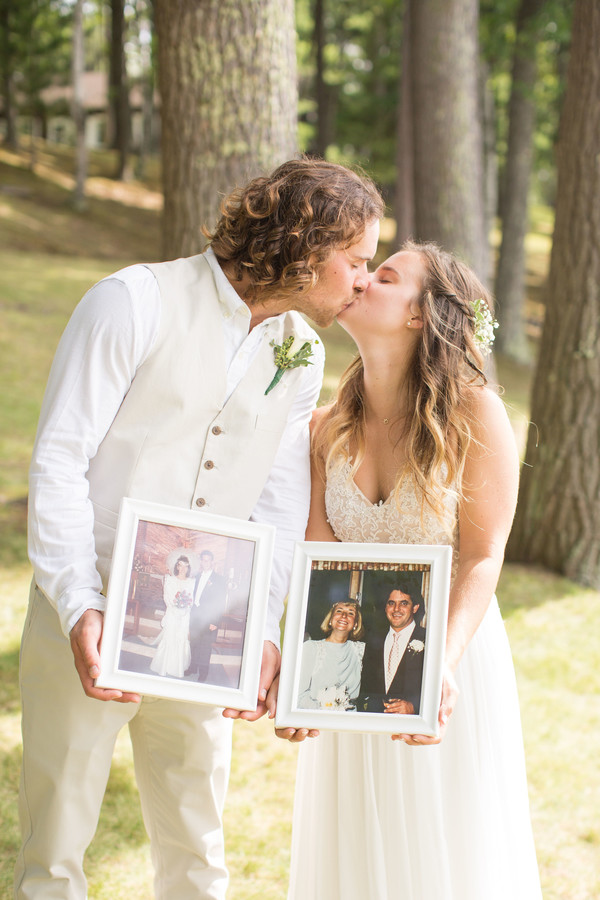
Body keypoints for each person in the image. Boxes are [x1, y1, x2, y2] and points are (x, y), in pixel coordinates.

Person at [15, 158, 383, 900]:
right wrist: (79, 604)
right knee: (54, 847)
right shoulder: (131, 301)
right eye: (356, 261)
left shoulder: (302, 352)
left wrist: (266, 631)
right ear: (307, 247)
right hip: (86, 609)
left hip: (207, 628)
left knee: (197, 846)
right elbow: (58, 462)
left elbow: (278, 500)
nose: (365, 281)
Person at [280, 241, 543, 899]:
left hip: (449, 655)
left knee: (447, 854)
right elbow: (317, 558)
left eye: (386, 274)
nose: (363, 277)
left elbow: (484, 555)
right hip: (351, 665)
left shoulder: (475, 413)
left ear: (422, 315)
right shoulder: (326, 426)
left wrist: (439, 665)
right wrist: (303, 670)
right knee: (357, 853)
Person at [359, 580, 426, 715]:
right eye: (391, 603)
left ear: (415, 607)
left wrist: (414, 707)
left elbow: (438, 687)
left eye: (404, 603)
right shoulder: (373, 640)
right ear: (385, 607)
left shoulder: (428, 639)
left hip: (410, 726)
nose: (396, 609)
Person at [297, 600, 364, 709]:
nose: (344, 615)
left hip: (349, 721)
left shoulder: (361, 650)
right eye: (339, 611)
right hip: (314, 719)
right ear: (330, 619)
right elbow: (299, 695)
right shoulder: (311, 648)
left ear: (355, 624)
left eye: (351, 613)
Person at [150, 555, 195, 678]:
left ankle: (178, 667)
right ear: (177, 566)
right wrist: (175, 608)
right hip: (172, 612)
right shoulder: (170, 580)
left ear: (188, 568)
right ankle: (164, 666)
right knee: (170, 636)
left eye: (186, 566)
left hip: (185, 615)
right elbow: (167, 597)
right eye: (180, 565)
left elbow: (191, 599)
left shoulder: (191, 582)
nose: (183, 569)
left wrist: (184, 609)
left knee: (181, 637)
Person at [187, 549, 227, 682]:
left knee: (205, 647)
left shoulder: (219, 580)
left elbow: (220, 603)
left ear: (212, 562)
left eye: (207, 560)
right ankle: (193, 667)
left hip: (209, 619)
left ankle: (203, 672)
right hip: (195, 617)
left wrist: (215, 622)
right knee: (194, 643)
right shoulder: (197, 576)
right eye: (202, 560)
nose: (204, 563)